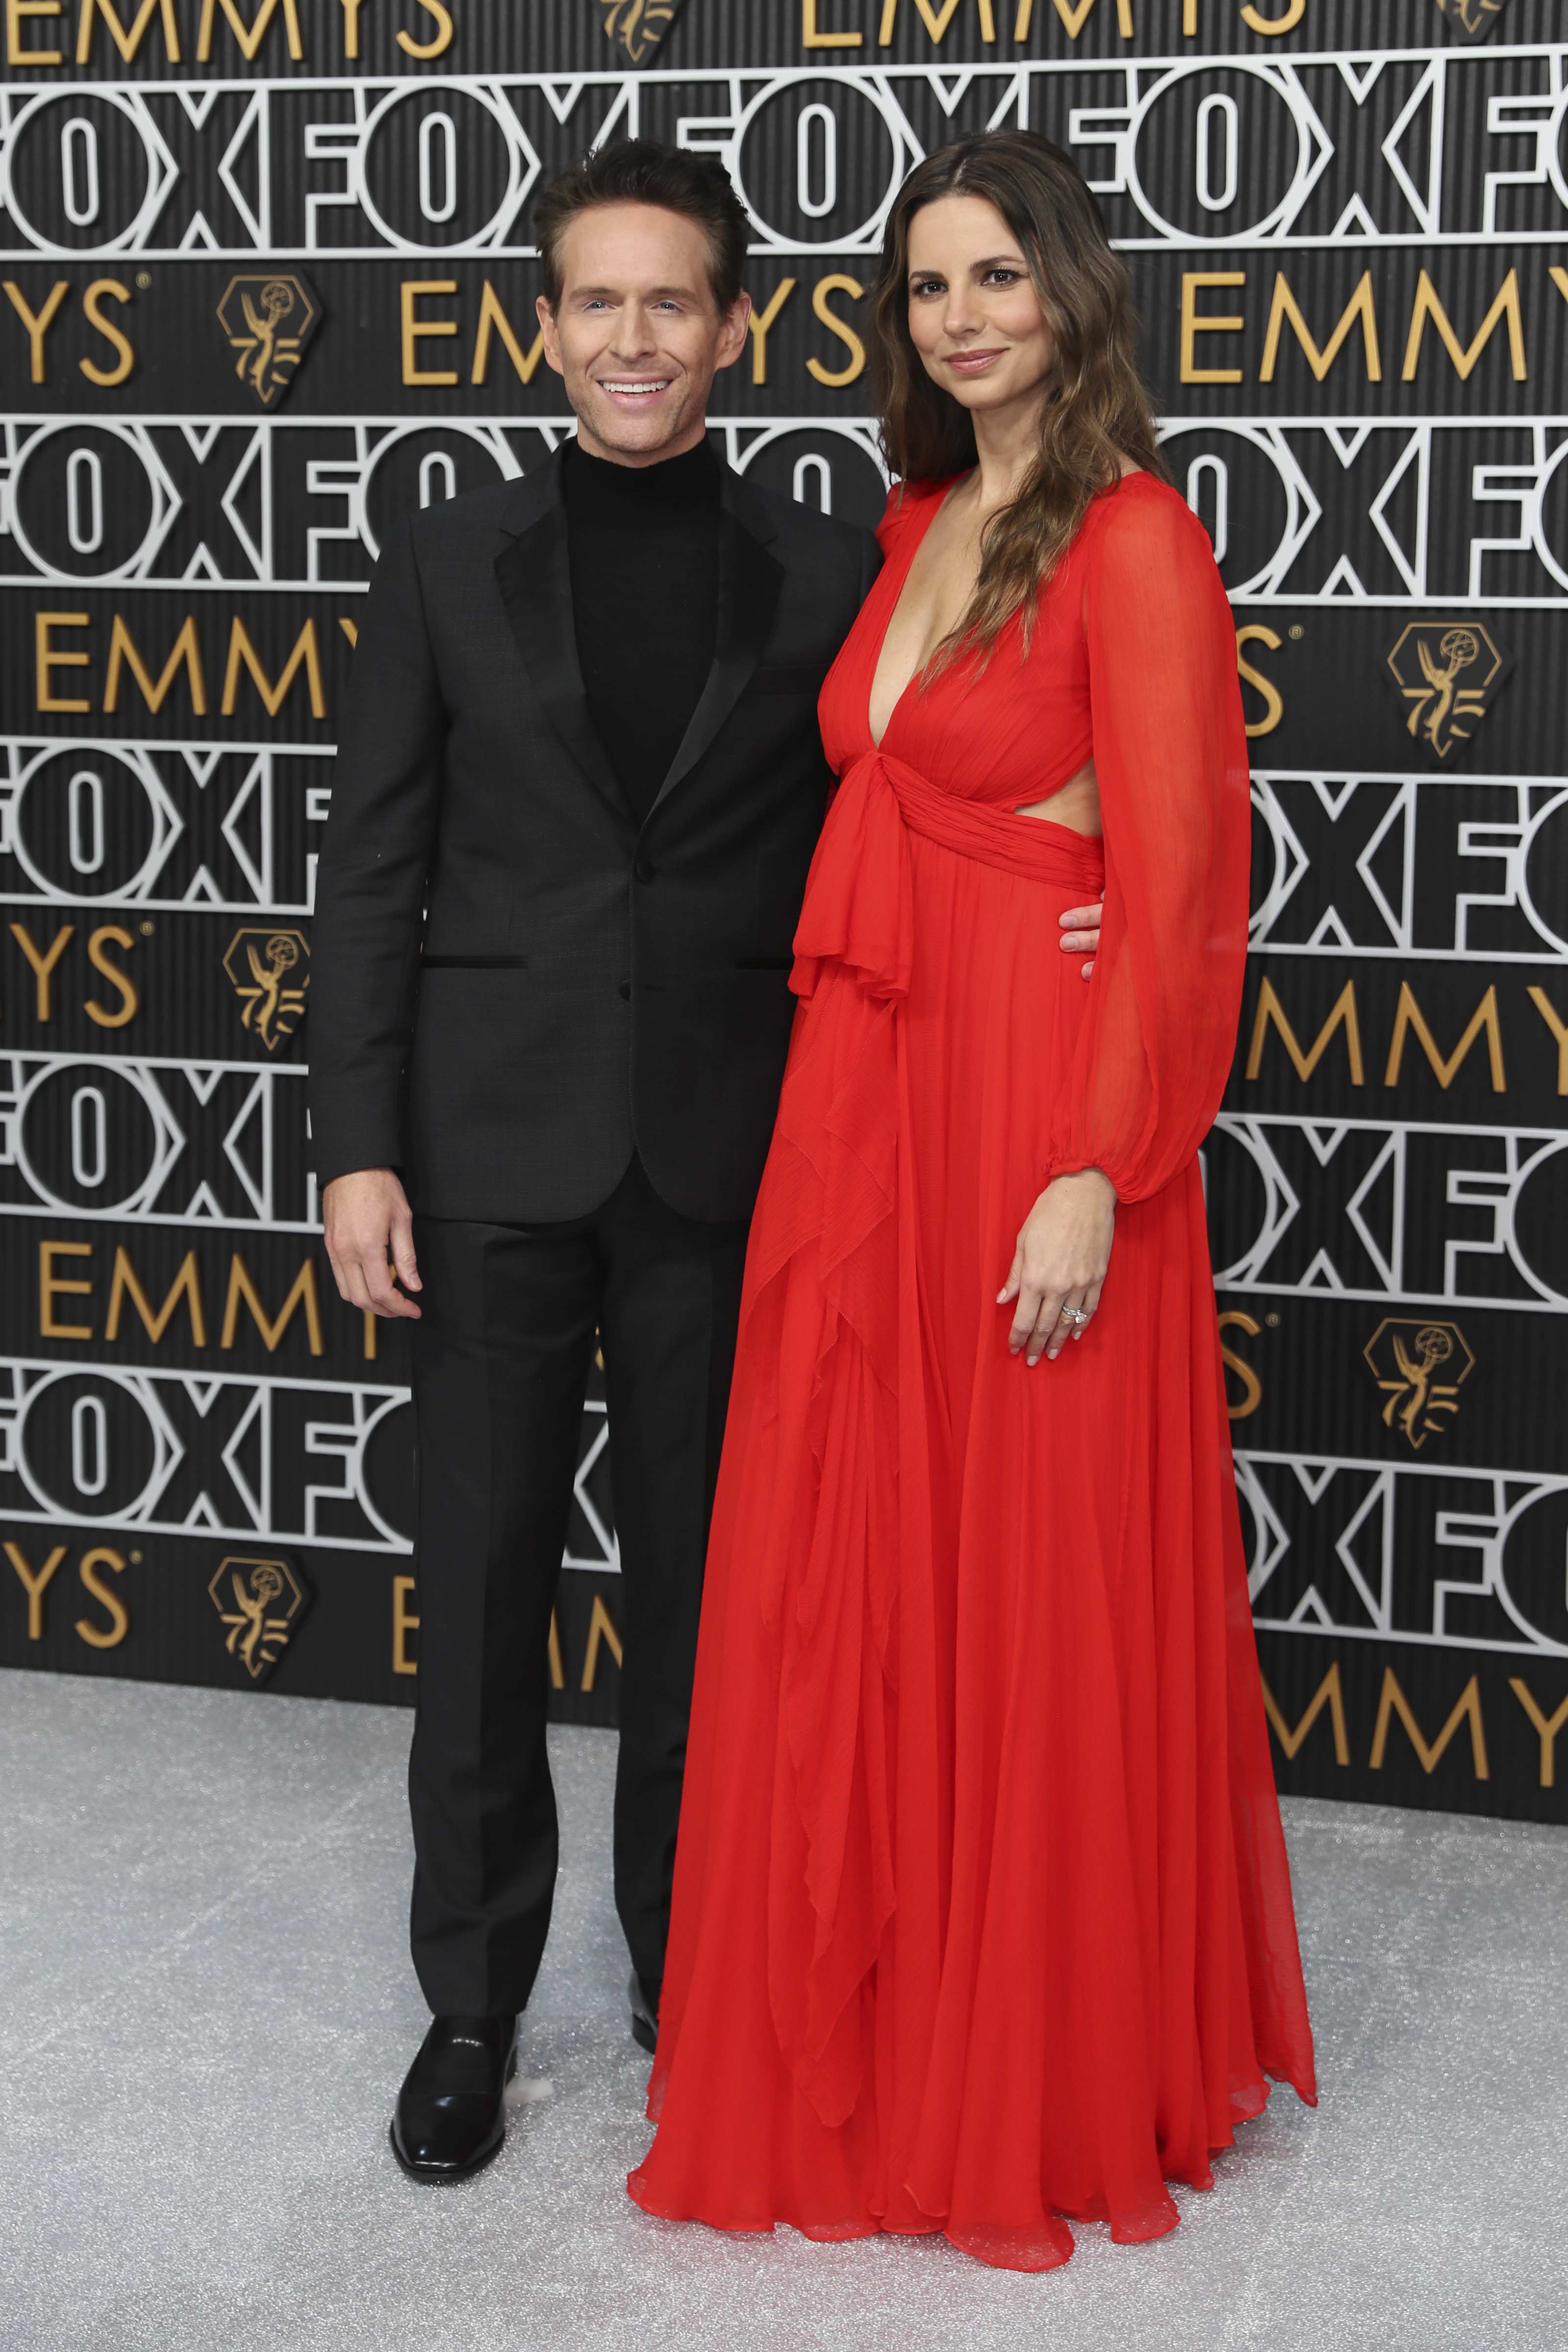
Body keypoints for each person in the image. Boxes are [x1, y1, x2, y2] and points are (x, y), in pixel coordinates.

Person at [311, 132, 1112, 2185]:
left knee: (710, 1605)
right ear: (544, 326)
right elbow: (372, 868)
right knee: (479, 1600)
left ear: (736, 328)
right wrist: (353, 1148)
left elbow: (931, 783)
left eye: (675, 301)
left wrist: (1073, 901)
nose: (635, 338)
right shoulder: (442, 556)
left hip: (737, 1160)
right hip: (485, 1151)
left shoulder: (836, 559)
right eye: (598, 301)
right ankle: (472, 2005)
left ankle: (694, 1968)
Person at [628, 131, 1317, 2271]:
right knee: (862, 1556)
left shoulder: (1133, 541)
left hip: (1032, 1112)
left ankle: (1021, 2071)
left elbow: (1182, 898)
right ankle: (883, 2028)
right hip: (869, 1094)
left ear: (1067, 293)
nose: (961, 314)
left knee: (1017, 1577)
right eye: (927, 282)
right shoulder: (910, 519)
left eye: (997, 272)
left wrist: (1101, 1178)